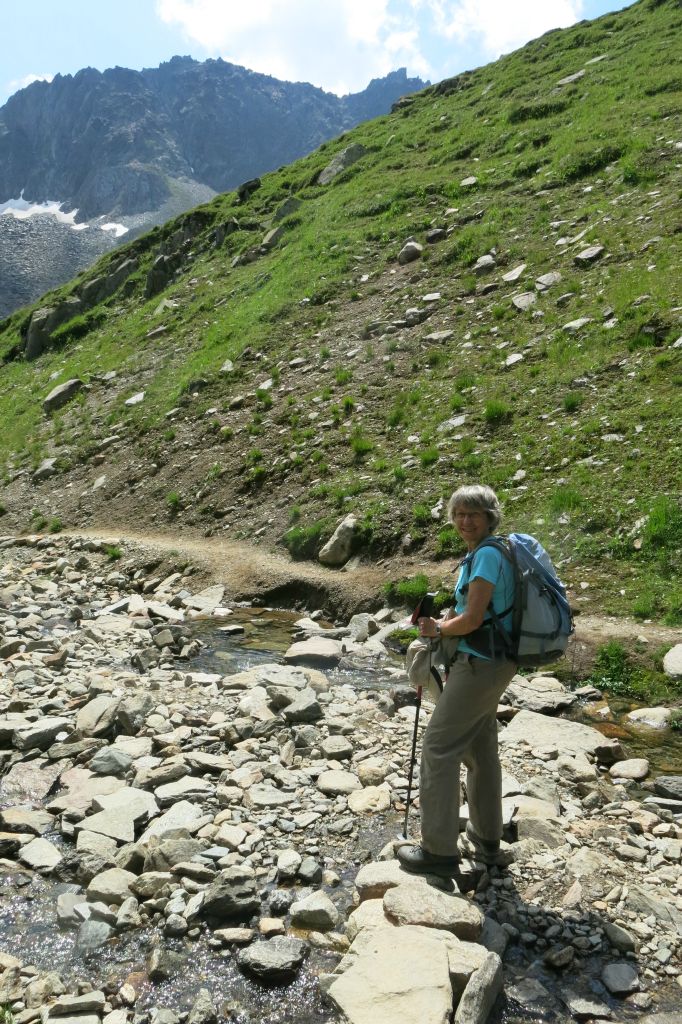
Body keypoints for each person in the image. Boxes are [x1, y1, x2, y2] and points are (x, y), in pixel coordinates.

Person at [397, 484, 518, 876]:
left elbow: (472, 620)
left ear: (489, 518)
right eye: (460, 514)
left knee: (438, 749)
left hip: (481, 664)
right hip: (490, 661)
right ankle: (487, 843)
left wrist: (437, 630)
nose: (466, 521)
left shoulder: (484, 557)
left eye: (474, 514)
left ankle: (439, 852)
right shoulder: (488, 553)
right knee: (480, 752)